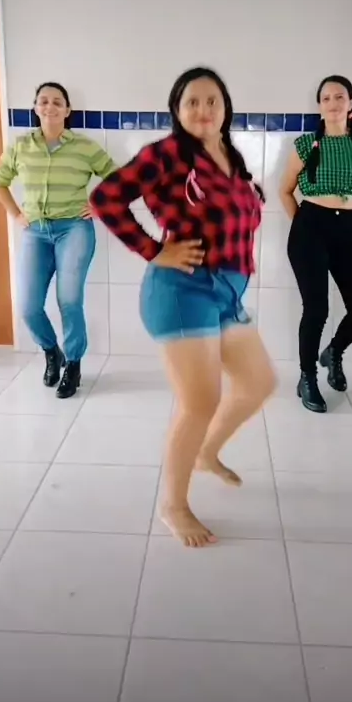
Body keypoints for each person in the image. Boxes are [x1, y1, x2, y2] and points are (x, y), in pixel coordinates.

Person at [90, 66, 276, 547]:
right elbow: (105, 198)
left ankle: (205, 452)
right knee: (199, 401)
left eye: (212, 100)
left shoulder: (231, 157)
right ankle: (173, 505)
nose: (203, 109)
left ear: (225, 108)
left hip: (227, 292)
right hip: (181, 290)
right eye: (192, 101)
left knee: (258, 382)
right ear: (177, 109)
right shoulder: (168, 154)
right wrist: (154, 250)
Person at [0, 82, 116, 398]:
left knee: (69, 300)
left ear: (67, 110)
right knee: (28, 306)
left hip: (74, 229)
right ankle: (51, 351)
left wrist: (100, 205)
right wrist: (16, 214)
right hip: (35, 232)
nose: (50, 106)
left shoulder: (84, 147)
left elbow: (119, 178)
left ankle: (73, 364)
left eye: (57, 102)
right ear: (36, 108)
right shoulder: (21, 146)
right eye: (43, 101)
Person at [279, 75, 352, 413]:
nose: (333, 103)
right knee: (317, 308)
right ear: (319, 107)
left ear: (351, 103)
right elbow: (285, 190)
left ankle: (334, 351)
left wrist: (347, 211)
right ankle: (307, 377)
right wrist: (304, 227)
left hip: (348, 230)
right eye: (326, 98)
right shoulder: (307, 145)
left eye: (339, 97)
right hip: (311, 228)